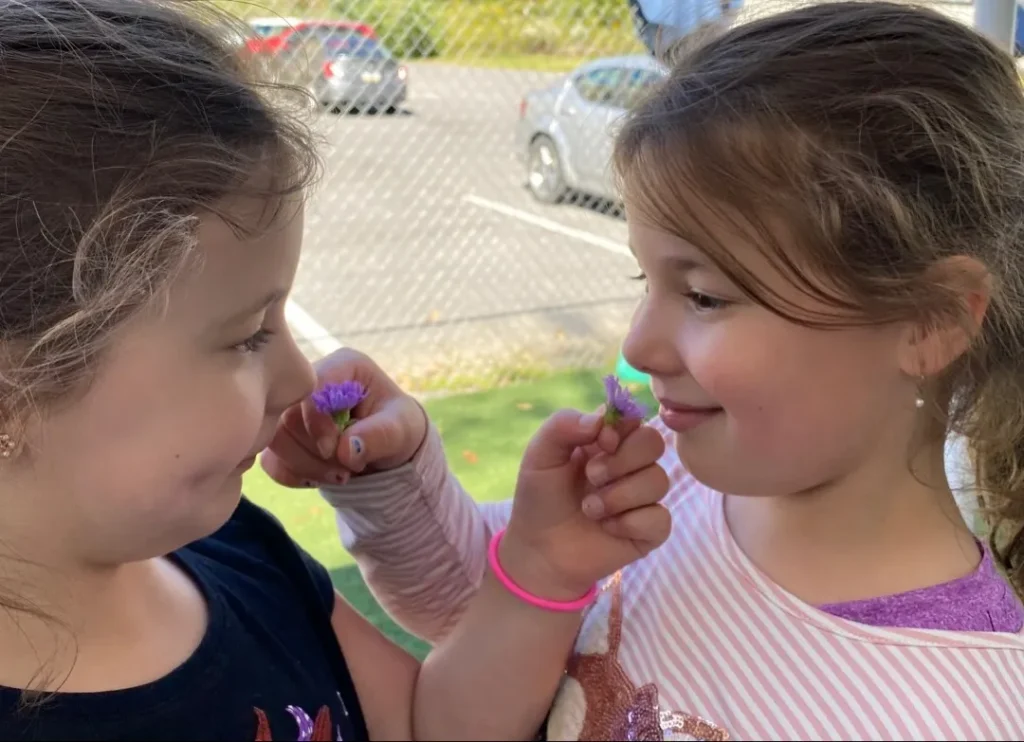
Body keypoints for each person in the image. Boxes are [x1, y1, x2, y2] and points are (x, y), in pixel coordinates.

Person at [264, 3, 1024, 739]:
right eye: (645, 283)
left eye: (704, 295)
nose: (639, 346)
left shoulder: (964, 706)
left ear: (934, 321)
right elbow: (485, 610)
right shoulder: (670, 486)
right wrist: (392, 478)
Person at [0, 1, 673, 739]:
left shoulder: (242, 554)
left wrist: (541, 568)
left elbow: (424, 727)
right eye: (247, 336)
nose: (297, 380)